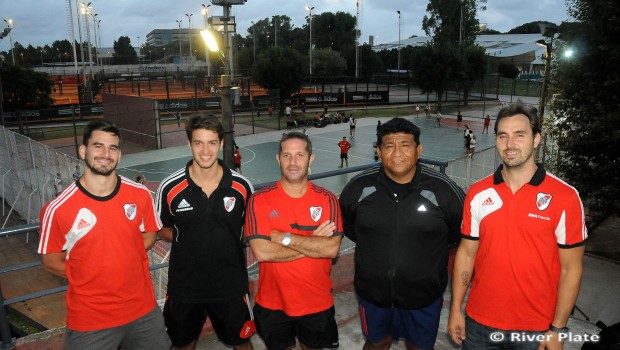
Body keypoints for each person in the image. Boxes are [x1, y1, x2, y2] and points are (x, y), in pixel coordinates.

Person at [448, 103, 587, 349]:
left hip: (536, 329)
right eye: (503, 136)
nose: (510, 144)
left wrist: (558, 328)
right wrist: (456, 309)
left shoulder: (565, 197)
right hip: (479, 323)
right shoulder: (478, 193)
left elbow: (571, 270)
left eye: (519, 135)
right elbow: (467, 254)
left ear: (536, 139)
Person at [38, 120, 170, 349]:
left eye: (113, 148)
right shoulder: (57, 209)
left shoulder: (139, 195)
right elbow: (51, 262)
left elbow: (150, 233)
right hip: (90, 319)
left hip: (144, 311)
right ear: (83, 151)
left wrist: (123, 256)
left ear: (119, 154)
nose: (105, 154)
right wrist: (93, 273)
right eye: (98, 146)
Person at [340, 117, 465, 350]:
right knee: (377, 343)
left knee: (418, 347)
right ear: (378, 151)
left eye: (405, 145)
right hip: (373, 295)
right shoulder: (357, 188)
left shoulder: (443, 189)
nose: (397, 153)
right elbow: (352, 228)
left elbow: (458, 235)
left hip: (424, 298)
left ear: (418, 150)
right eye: (389, 146)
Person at [155, 114, 255, 350]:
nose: (205, 150)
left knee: (242, 344)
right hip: (185, 287)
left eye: (211, 142)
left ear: (221, 143)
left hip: (230, 285)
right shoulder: (170, 187)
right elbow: (162, 229)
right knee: (182, 345)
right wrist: (189, 239)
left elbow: (248, 230)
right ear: (189, 144)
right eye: (198, 142)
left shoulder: (242, 187)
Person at [245, 131, 342, 350]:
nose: (293, 162)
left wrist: (283, 237)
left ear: (310, 158)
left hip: (317, 301)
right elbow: (263, 253)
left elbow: (331, 249)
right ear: (278, 158)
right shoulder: (259, 200)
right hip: (272, 302)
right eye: (287, 155)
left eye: (299, 155)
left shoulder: (327, 200)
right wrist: (313, 241)